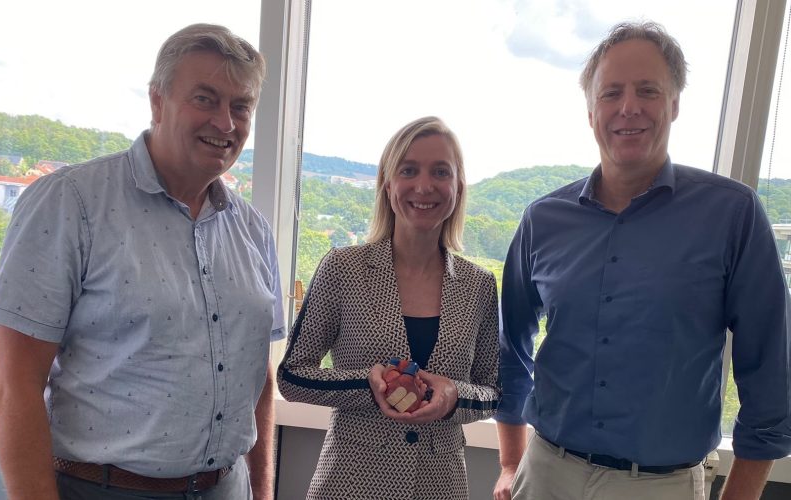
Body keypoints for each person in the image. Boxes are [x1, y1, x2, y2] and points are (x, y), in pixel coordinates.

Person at [494, 20, 791, 500]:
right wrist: (511, 462)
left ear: (674, 104)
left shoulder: (732, 215)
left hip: (661, 485)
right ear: (591, 111)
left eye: (647, 91)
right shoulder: (542, 219)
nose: (628, 107)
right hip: (545, 473)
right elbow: (511, 349)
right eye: (611, 93)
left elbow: (770, 374)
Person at [0, 23, 285, 500]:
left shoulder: (253, 229)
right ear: (157, 100)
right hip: (101, 488)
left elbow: (259, 376)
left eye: (240, 106)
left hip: (228, 487)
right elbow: (12, 383)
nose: (225, 123)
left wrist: (264, 490)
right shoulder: (71, 203)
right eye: (205, 99)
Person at [278, 116, 500, 499]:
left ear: (459, 186)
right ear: (387, 183)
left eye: (440, 172)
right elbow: (292, 376)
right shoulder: (343, 268)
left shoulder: (478, 285)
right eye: (408, 170)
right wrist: (368, 384)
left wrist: (452, 397)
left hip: (440, 486)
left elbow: (493, 392)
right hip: (350, 484)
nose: (424, 186)